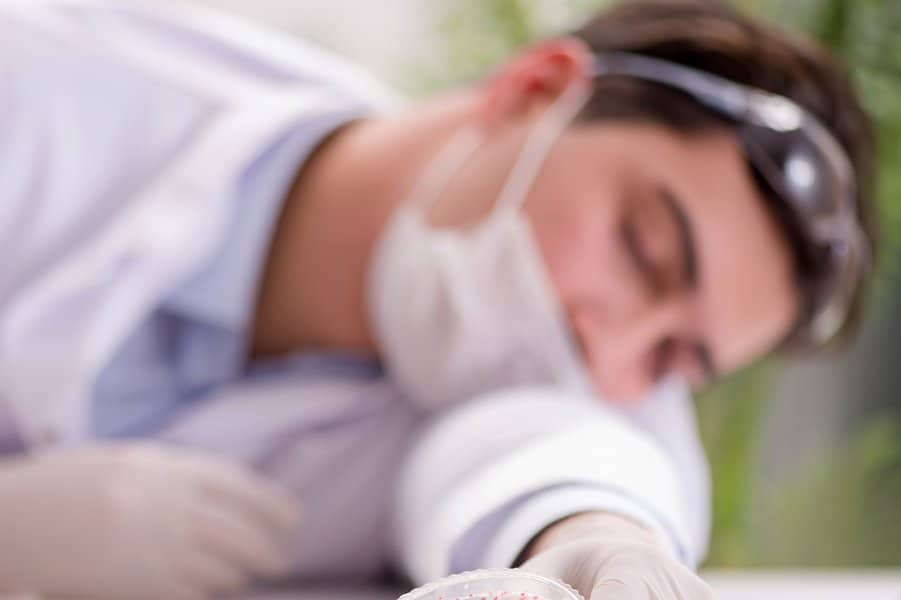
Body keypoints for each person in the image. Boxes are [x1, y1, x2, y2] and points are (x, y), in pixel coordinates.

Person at [0, 0, 875, 599]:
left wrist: (593, 538)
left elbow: (583, 459)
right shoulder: (43, 95)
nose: (607, 353)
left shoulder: (545, 390)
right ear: (533, 90)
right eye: (641, 249)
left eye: (671, 358)